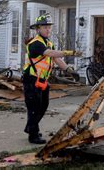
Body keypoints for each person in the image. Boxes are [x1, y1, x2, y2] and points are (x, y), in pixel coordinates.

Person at [22, 13, 80, 144]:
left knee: (43, 105)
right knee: (34, 107)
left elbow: (56, 59)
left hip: (42, 80)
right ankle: (33, 135)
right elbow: (50, 54)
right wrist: (70, 53)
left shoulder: (48, 43)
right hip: (31, 79)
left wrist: (68, 70)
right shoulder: (35, 43)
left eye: (48, 27)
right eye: (44, 27)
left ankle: (31, 127)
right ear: (38, 29)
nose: (47, 29)